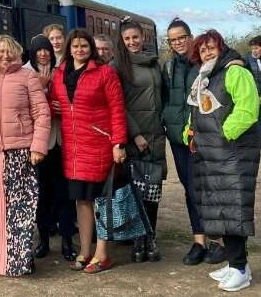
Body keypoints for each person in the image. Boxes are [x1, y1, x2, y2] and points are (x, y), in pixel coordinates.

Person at [185, 30, 261, 292]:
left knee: (233, 209)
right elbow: (197, 111)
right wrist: (189, 132)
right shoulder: (205, 77)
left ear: (221, 47)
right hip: (210, 154)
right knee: (221, 210)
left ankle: (240, 268)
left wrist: (225, 134)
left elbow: (247, 109)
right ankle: (235, 263)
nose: (207, 53)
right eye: (202, 50)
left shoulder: (235, 72)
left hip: (231, 153)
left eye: (211, 47)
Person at [49, 29, 127, 273]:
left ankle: (102, 254)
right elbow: (53, 103)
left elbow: (117, 109)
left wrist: (118, 143)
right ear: (69, 48)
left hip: (98, 145)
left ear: (91, 48)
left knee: (101, 201)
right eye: (75, 46)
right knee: (81, 201)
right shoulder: (59, 74)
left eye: (84, 45)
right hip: (73, 149)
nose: (79, 50)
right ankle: (84, 251)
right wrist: (53, 106)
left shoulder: (105, 73)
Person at [0, 35, 50, 276]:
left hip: (20, 151)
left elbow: (41, 113)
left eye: (10, 51)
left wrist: (38, 147)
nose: (5, 55)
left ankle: (18, 261)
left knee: (20, 210)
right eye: (1, 51)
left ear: (18, 52)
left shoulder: (28, 77)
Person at [161, 18, 225, 265]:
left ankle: (218, 241)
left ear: (190, 37)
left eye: (181, 37)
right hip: (178, 137)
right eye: (173, 40)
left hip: (202, 136)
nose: (178, 42)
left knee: (209, 189)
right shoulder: (169, 67)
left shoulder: (205, 62)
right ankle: (199, 241)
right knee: (190, 189)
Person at [113, 17, 165, 263]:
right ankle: (137, 239)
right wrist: (134, 134)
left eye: (135, 37)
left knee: (153, 190)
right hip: (135, 137)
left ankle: (150, 237)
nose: (132, 42)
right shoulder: (117, 66)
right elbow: (117, 105)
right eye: (127, 38)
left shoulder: (153, 64)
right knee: (135, 190)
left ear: (143, 37)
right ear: (122, 41)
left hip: (156, 134)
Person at [23, 34, 77, 262]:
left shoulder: (62, 71)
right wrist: (43, 92)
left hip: (62, 141)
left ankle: (67, 240)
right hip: (38, 144)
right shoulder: (25, 73)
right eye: (39, 50)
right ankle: (43, 239)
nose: (44, 54)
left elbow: (73, 99)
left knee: (64, 194)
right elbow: (23, 107)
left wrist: (62, 106)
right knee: (41, 195)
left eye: (46, 49)